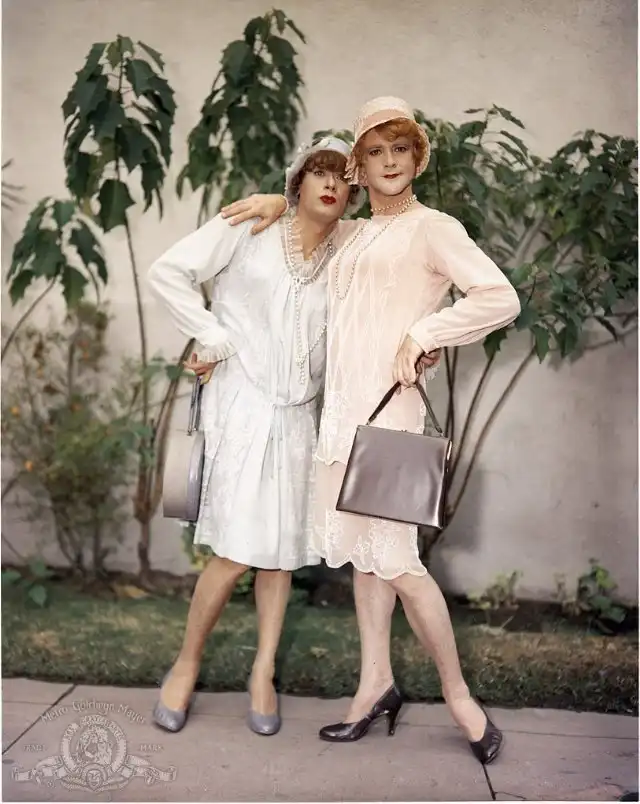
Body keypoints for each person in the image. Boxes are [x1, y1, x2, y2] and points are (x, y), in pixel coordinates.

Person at [219, 96, 521, 764]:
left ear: (417, 157)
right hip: (340, 418)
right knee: (365, 558)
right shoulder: (353, 234)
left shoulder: (433, 228)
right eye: (375, 152)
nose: (389, 162)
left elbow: (500, 296)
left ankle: (461, 701)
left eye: (400, 149)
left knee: (401, 564)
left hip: (391, 411)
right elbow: (307, 223)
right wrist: (276, 199)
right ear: (359, 164)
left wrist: (425, 333)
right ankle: (375, 686)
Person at [147, 137, 364, 736]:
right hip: (241, 405)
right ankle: (187, 663)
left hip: (298, 416)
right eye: (318, 172)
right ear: (298, 180)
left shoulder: (350, 249)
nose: (330, 183)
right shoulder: (250, 226)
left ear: (353, 191)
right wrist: (212, 336)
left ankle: (263, 672)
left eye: (342, 176)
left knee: (281, 552)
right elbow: (169, 272)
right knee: (235, 552)